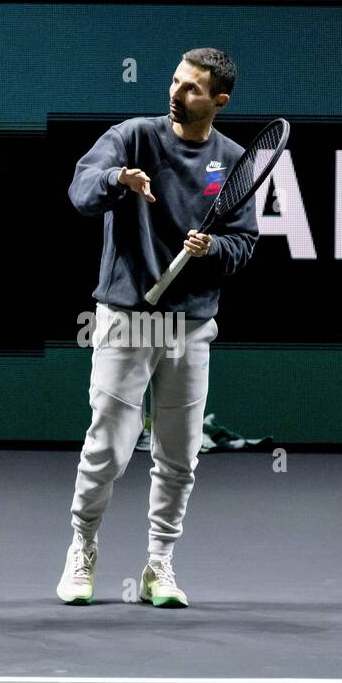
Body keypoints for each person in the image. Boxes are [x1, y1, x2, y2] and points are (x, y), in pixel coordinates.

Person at [58, 48, 257, 607]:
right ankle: (83, 548)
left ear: (218, 100)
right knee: (108, 450)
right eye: (175, 81)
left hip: (190, 326)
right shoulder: (132, 137)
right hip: (128, 320)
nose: (176, 93)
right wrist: (118, 181)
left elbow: (244, 243)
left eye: (192, 88)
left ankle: (159, 566)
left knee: (178, 456)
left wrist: (214, 247)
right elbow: (81, 190)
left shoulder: (236, 162)